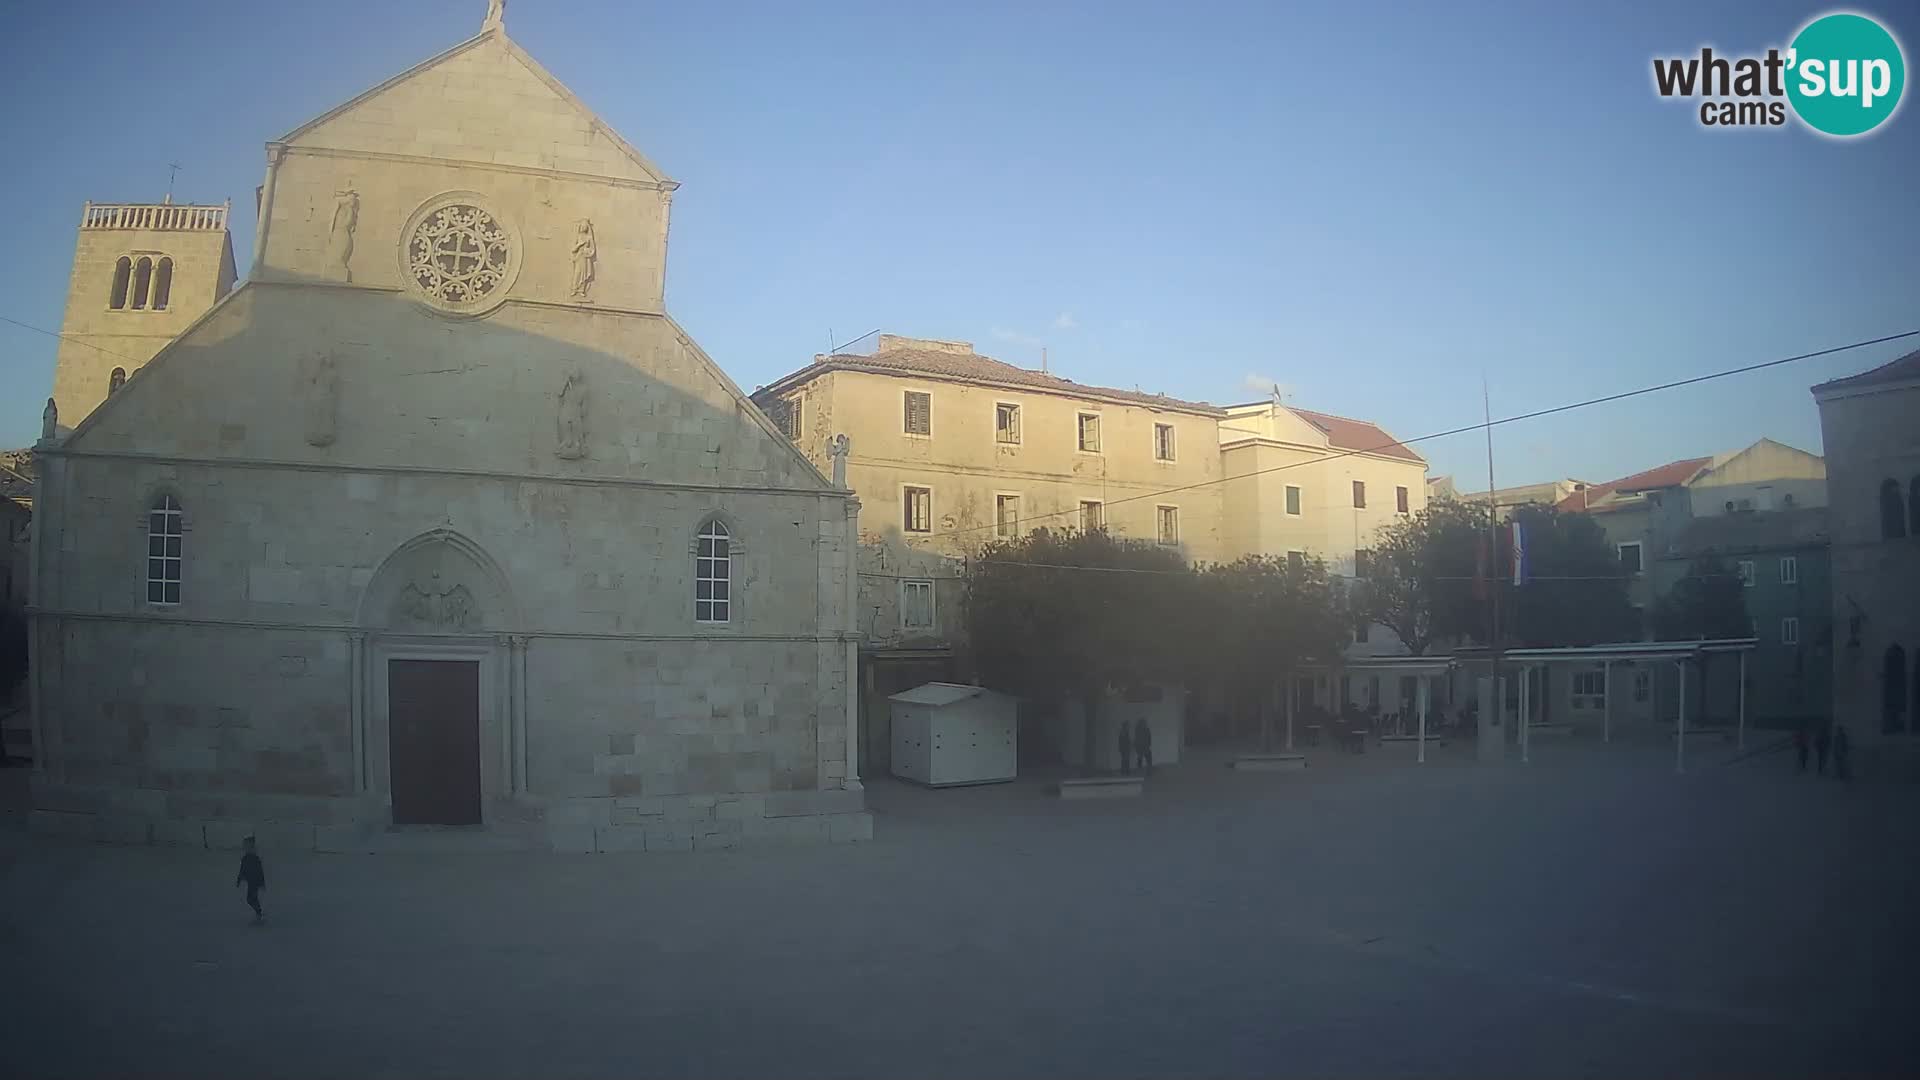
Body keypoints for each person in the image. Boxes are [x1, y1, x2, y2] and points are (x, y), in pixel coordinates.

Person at [235, 835, 267, 925]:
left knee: (251, 898)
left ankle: (259, 913)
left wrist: (262, 882)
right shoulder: (246, 858)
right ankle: (259, 913)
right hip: (251, 881)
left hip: (254, 881)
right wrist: (239, 879)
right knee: (251, 898)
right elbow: (242, 870)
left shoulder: (255, 859)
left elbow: (260, 871)